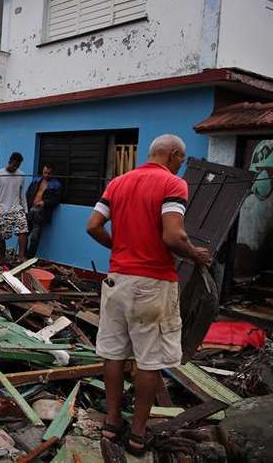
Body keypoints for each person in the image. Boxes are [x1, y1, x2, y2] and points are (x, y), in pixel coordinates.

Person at [86, 134, 211, 456]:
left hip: (117, 280)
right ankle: (138, 433)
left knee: (113, 354)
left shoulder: (118, 183)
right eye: (181, 159)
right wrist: (194, 254)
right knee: (149, 360)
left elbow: (94, 225)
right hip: (153, 283)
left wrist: (120, 247)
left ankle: (112, 423)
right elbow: (173, 235)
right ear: (172, 155)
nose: (181, 165)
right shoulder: (173, 185)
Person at [0, 152, 28, 261]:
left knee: (23, 230)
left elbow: (22, 195)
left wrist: (25, 210)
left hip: (17, 209)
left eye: (17, 166)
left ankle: (21, 256)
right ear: (9, 162)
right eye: (14, 165)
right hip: (2, 211)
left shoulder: (21, 175)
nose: (15, 168)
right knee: (2, 236)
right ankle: (3, 256)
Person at [25, 163, 62, 257]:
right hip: (30, 210)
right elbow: (27, 194)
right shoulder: (36, 181)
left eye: (48, 173)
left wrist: (44, 203)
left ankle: (29, 258)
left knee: (34, 237)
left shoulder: (56, 185)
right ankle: (23, 255)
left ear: (52, 173)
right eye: (45, 172)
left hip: (41, 213)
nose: (46, 175)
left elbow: (57, 200)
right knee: (24, 234)